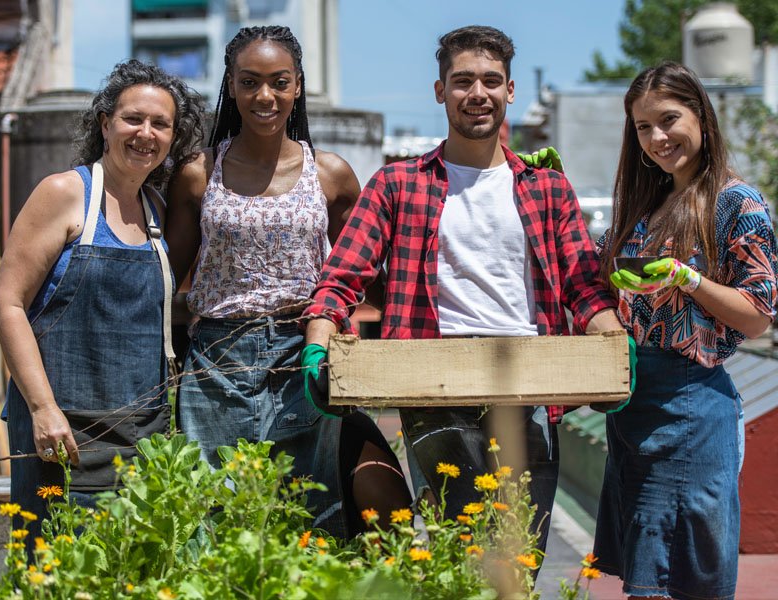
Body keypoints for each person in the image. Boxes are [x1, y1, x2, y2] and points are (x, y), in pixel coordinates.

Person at [301, 25, 624, 554]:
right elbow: (342, 278)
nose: (478, 93)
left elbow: (583, 286)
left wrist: (614, 351)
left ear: (510, 91)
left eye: (491, 81)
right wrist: (319, 342)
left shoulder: (546, 188)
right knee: (463, 552)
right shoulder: (398, 184)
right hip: (435, 387)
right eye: (463, 81)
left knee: (520, 560)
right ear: (440, 91)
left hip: (530, 384)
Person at [166, 25, 410, 538]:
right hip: (216, 360)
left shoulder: (331, 174)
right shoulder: (197, 173)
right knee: (215, 513)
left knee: (309, 507)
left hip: (306, 354)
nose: (264, 96)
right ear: (230, 86)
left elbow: (364, 273)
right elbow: (165, 276)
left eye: (279, 81)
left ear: (297, 86)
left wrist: (406, 339)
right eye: (250, 81)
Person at [0, 59, 205, 543]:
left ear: (173, 138)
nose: (145, 133)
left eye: (160, 124)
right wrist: (43, 409)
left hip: (140, 435)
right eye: (133, 118)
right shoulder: (65, 194)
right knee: (57, 571)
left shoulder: (157, 212)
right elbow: (8, 303)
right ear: (106, 124)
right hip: (61, 434)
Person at [593, 62, 778, 600]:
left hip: (692, 408)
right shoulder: (644, 204)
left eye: (668, 119)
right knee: (649, 578)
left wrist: (689, 279)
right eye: (643, 127)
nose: (657, 137)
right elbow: (590, 269)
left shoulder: (736, 203)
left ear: (701, 114)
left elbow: (760, 316)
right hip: (633, 408)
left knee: (669, 584)